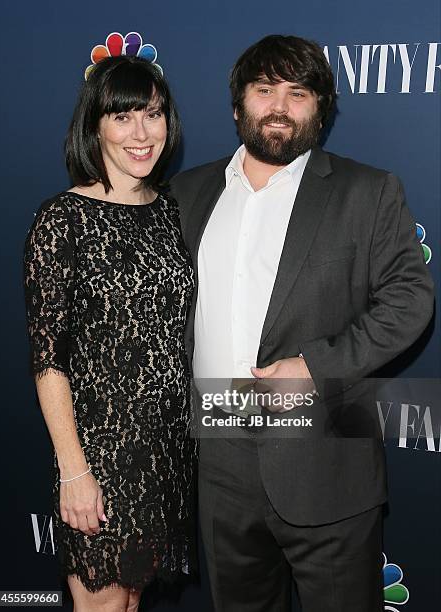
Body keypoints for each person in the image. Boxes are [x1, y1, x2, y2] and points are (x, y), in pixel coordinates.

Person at [170, 34, 434, 612]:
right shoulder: (187, 194)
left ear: (322, 107)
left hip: (326, 461)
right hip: (218, 466)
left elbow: (411, 300)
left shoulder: (366, 192)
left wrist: (316, 366)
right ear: (239, 103)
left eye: (299, 93)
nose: (280, 107)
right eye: (265, 90)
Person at [24, 55, 196, 612]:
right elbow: (48, 360)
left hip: (167, 451)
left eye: (152, 114)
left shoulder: (171, 212)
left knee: (130, 603)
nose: (141, 134)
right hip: (101, 453)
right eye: (122, 118)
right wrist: (74, 471)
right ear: (94, 125)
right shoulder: (62, 221)